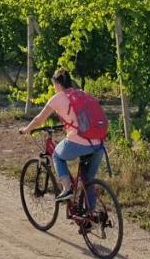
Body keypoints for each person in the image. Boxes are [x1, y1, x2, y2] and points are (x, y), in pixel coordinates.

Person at [20, 68, 105, 203]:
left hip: (79, 142)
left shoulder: (58, 98)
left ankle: (67, 189)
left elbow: (39, 119)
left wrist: (27, 129)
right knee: (87, 181)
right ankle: (91, 216)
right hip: (98, 144)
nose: (54, 88)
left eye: (54, 85)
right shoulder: (81, 93)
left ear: (58, 84)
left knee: (57, 156)